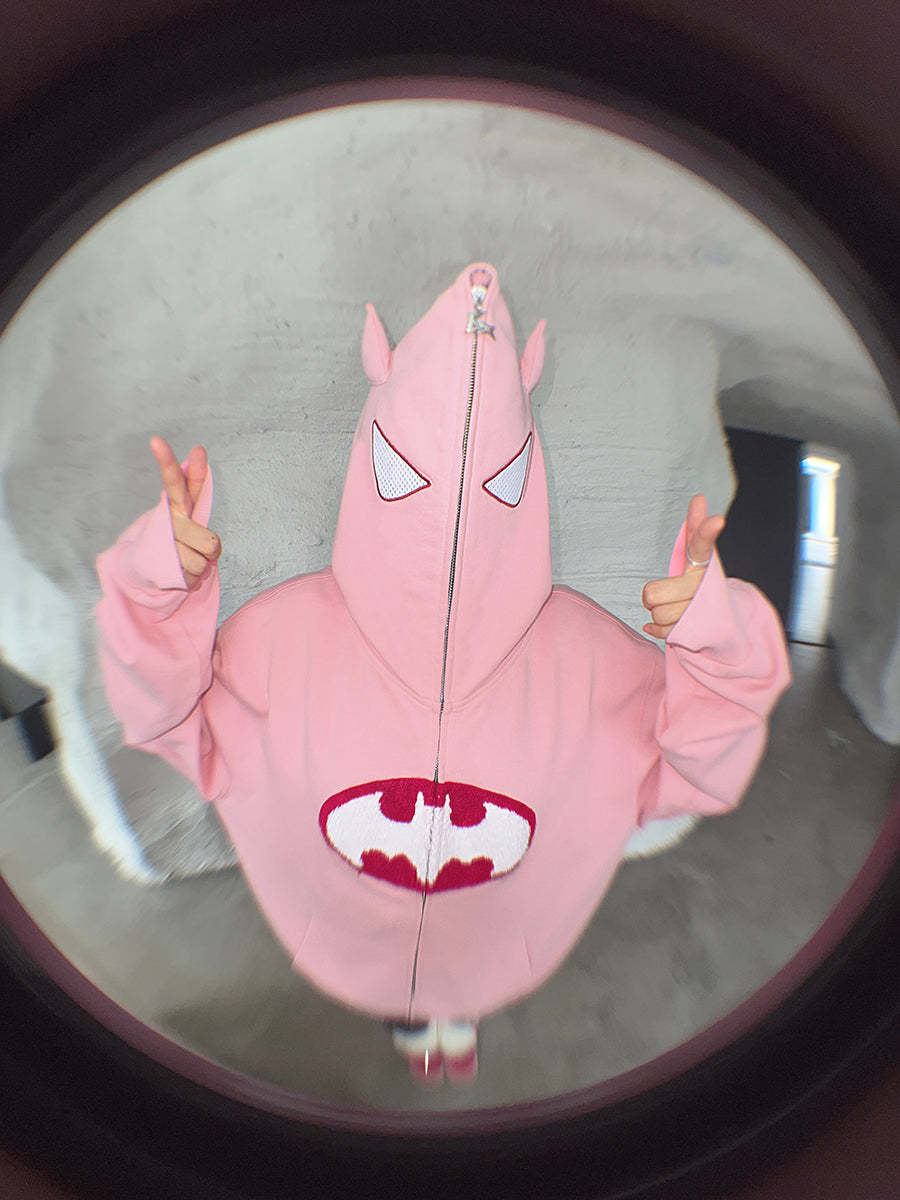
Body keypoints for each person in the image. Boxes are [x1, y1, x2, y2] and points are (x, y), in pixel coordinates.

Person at [95, 263, 792, 1089]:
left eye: (503, 482)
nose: (454, 500)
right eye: (402, 474)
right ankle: (413, 1022)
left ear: (527, 474)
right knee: (402, 996)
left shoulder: (593, 662)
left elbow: (696, 771)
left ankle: (450, 1017)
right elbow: (166, 716)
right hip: (343, 934)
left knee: (460, 982)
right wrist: (157, 591)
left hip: (498, 943)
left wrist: (718, 649)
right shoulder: (281, 640)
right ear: (371, 461)